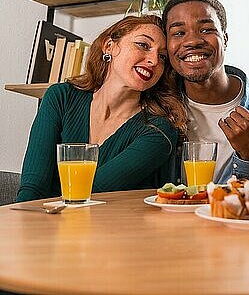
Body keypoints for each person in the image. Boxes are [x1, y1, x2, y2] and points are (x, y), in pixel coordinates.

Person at [17, 15, 186, 202]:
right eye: (143, 45)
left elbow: (92, 194)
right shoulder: (61, 97)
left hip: (110, 228)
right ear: (109, 46)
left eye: (162, 57)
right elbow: (32, 188)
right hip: (42, 223)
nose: (154, 60)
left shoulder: (158, 130)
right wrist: (25, 225)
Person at [162, 0, 249, 183]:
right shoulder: (158, 107)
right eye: (179, 33)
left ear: (225, 39)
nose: (192, 41)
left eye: (206, 30)